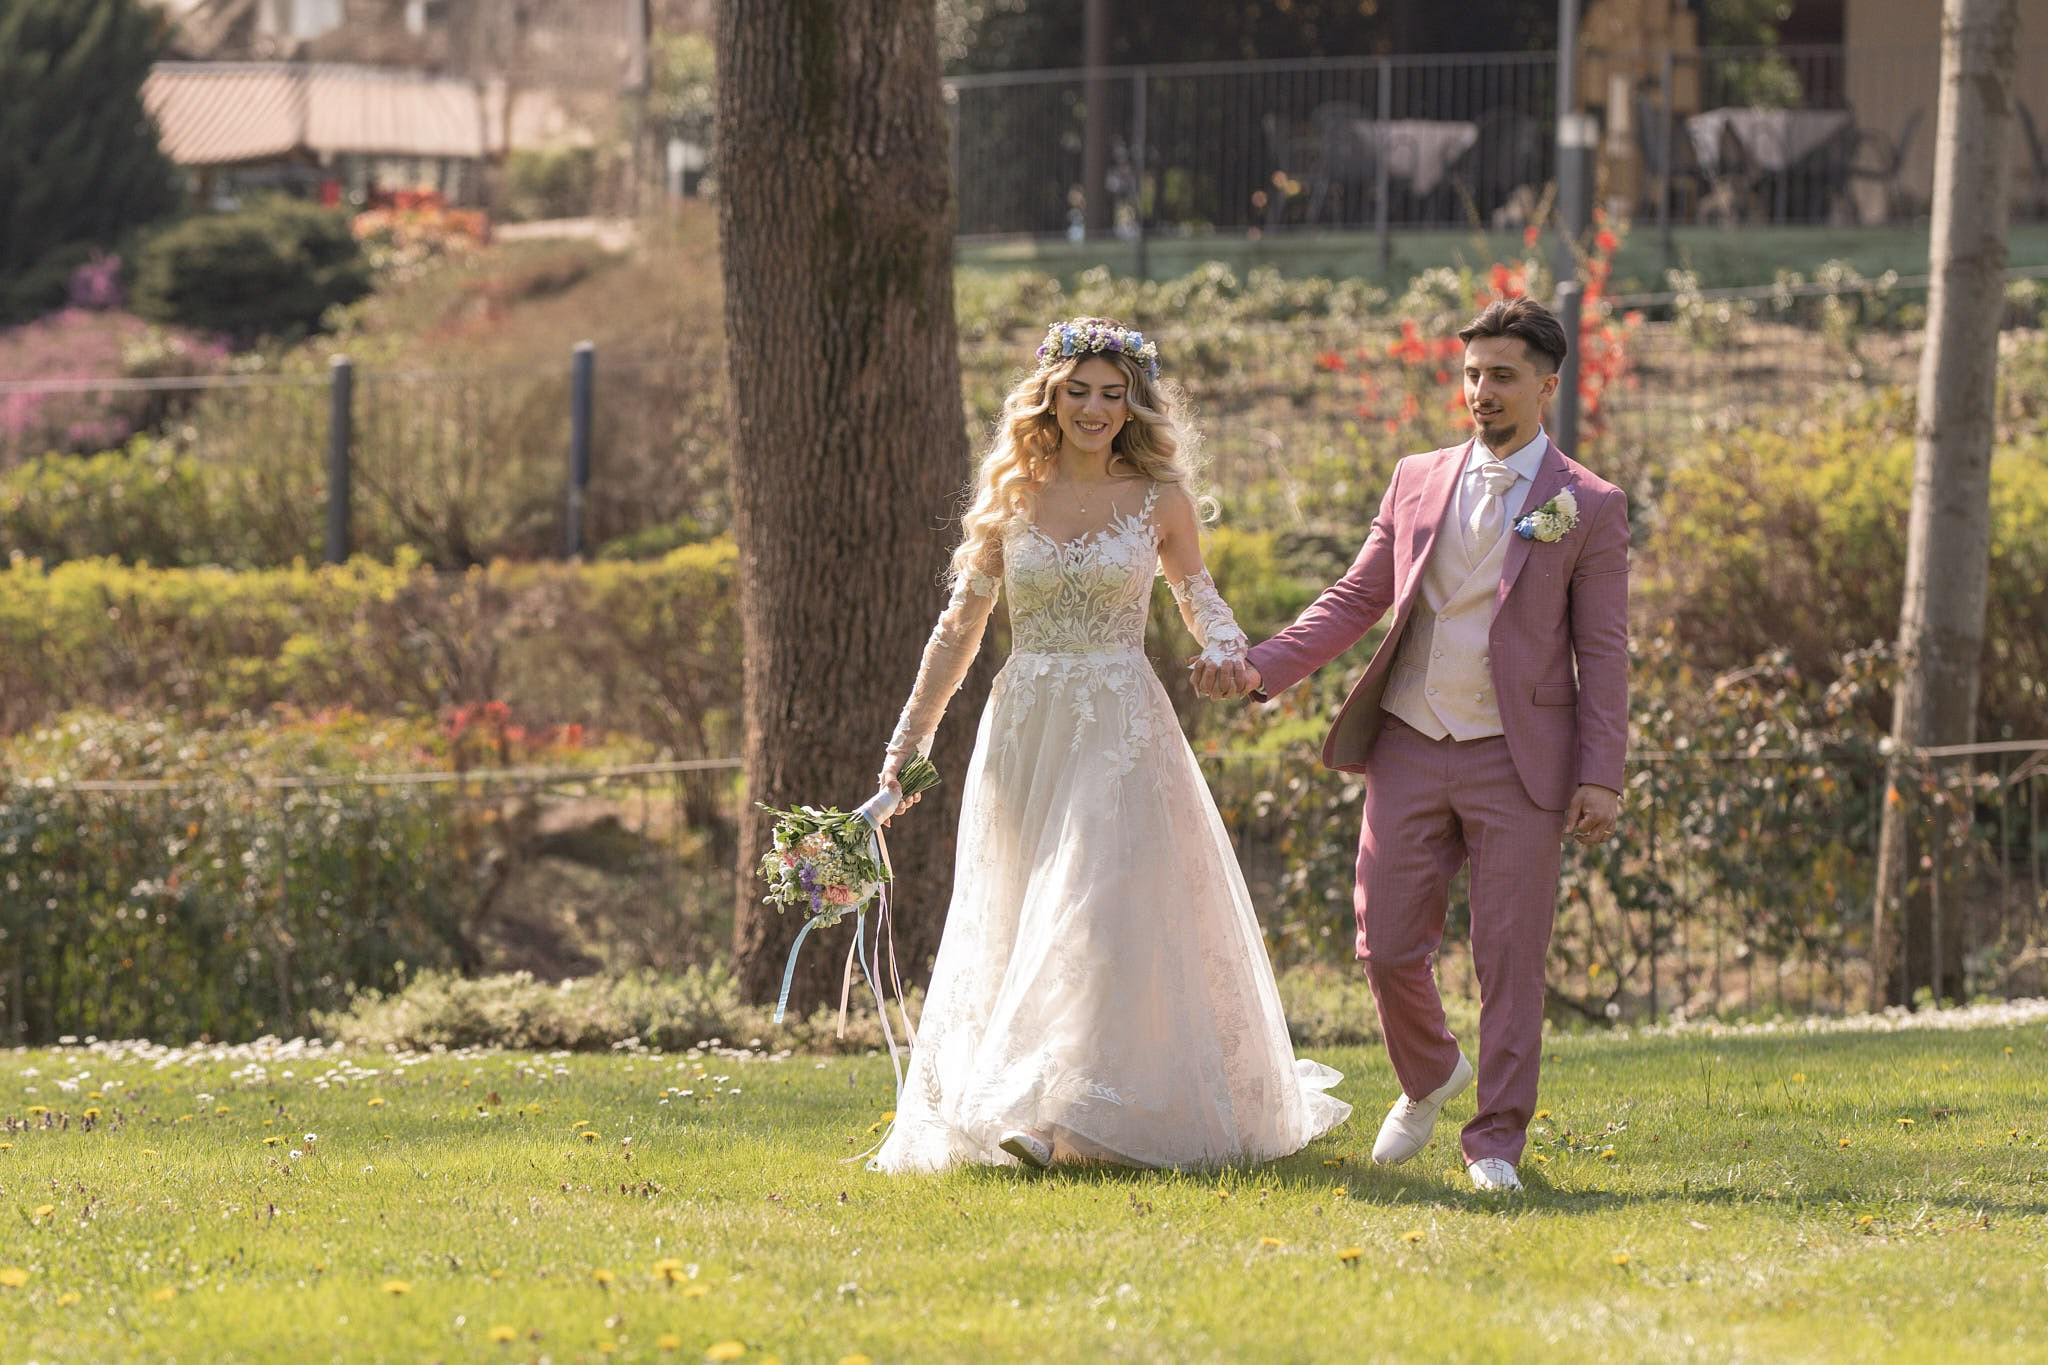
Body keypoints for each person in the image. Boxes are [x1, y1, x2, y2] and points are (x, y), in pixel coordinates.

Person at [870, 318, 1351, 1174]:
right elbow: (958, 630)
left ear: (1134, 405)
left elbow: (1198, 595)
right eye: (1078, 391)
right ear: (1050, 398)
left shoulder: (1159, 499)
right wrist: (909, 745)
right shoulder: (1011, 498)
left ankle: (1047, 1108)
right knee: (1028, 901)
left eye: (1112, 393)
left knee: (1090, 897)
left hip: (1121, 722)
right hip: (1027, 727)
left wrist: (1226, 648)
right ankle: (1039, 1104)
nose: (1094, 408)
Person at [1195, 297, 1629, 1194]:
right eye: (1472, 374)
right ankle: (1431, 1071)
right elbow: (1357, 597)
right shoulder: (1416, 477)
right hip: (1409, 739)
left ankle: (1495, 1142)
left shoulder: (1589, 505)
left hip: (1520, 758)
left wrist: (1602, 774)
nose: (1481, 391)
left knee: (1510, 961)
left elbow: (1604, 651)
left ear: (1547, 386)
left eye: (1502, 375)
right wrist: (1262, 666)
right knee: (1385, 945)